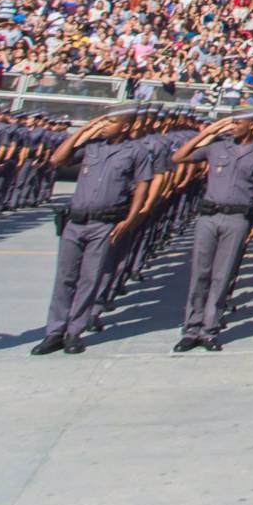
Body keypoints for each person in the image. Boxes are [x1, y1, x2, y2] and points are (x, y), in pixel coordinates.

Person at [34, 106, 153, 355]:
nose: (104, 126)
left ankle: (74, 331)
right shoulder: (92, 146)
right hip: (75, 221)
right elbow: (57, 159)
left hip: (105, 223)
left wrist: (131, 219)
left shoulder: (136, 151)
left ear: (126, 126)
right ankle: (54, 332)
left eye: (111, 122)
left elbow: (142, 186)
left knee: (90, 278)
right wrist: (85, 130)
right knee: (65, 278)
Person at [172, 110, 253, 352]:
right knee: (200, 273)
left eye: (238, 123)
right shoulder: (217, 146)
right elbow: (179, 157)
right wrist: (206, 133)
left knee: (223, 275)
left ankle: (209, 329)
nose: (232, 126)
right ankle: (191, 328)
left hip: (238, 217)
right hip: (209, 215)